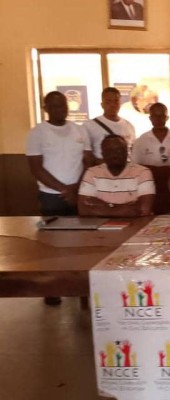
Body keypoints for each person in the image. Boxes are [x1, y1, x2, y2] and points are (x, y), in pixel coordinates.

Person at [26, 91, 93, 306]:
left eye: (63, 105)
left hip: (78, 194)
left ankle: (82, 292)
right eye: (54, 106)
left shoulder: (80, 130)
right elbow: (36, 168)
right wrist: (64, 190)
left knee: (81, 244)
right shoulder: (37, 132)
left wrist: (77, 188)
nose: (60, 109)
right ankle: (52, 289)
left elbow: (88, 161)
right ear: (45, 108)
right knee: (51, 246)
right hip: (51, 196)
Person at [131, 103, 170, 214]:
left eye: (162, 116)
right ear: (150, 118)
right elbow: (134, 166)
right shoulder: (141, 140)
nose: (158, 119)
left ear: (167, 117)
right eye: (155, 116)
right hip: (151, 184)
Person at [78, 135, 155, 217]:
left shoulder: (142, 172)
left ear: (127, 152)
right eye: (109, 151)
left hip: (135, 223)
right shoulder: (92, 173)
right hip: (100, 224)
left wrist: (104, 206)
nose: (114, 154)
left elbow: (144, 209)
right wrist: (118, 211)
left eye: (119, 150)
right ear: (103, 154)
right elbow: (83, 209)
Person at [84, 87, 135, 163]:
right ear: (102, 105)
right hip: (102, 168)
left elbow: (132, 151)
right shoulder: (89, 125)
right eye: (108, 102)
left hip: (127, 169)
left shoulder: (129, 126)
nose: (113, 105)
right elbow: (87, 154)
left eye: (116, 101)